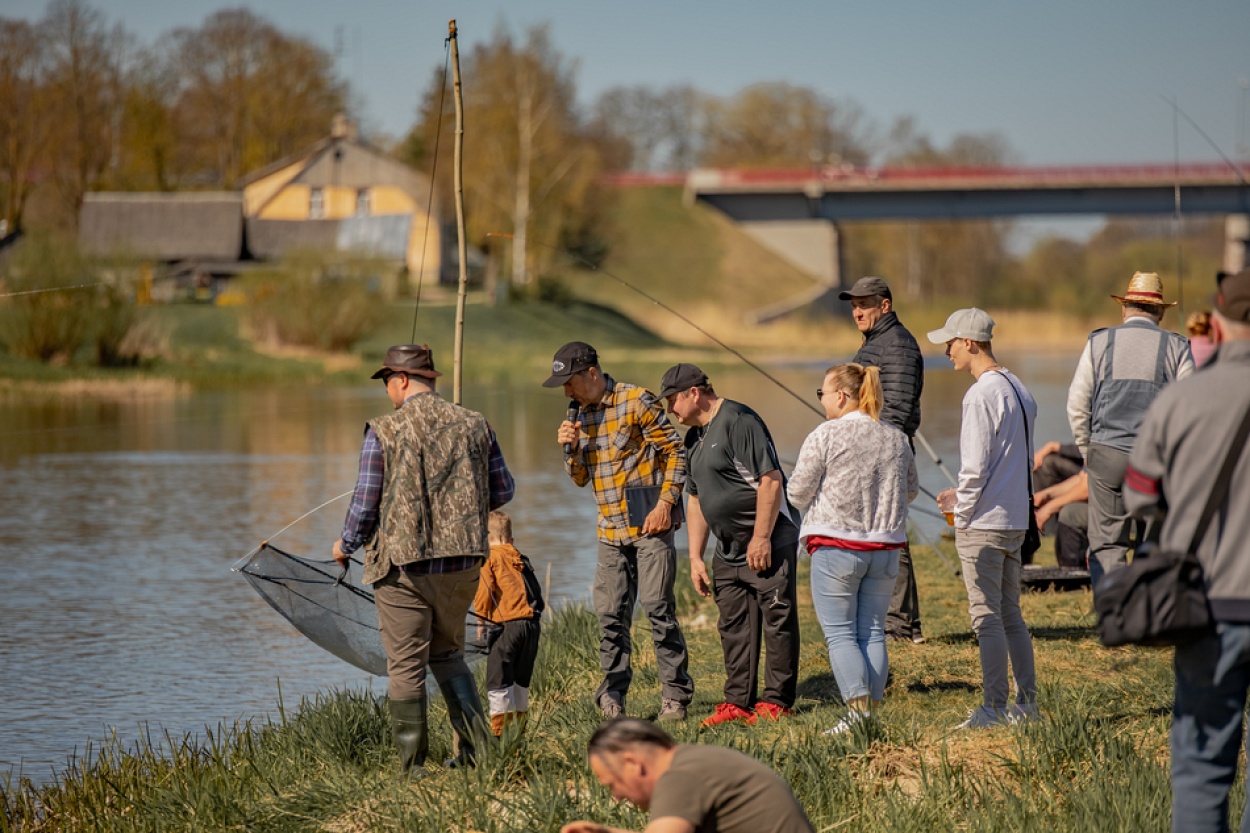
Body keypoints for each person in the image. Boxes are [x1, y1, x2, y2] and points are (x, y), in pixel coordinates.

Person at [332, 344, 515, 776]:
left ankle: (412, 769)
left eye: (387, 383)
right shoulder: (476, 424)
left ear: (399, 381)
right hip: (465, 564)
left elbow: (365, 502)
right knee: (448, 654)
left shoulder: (384, 430)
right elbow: (503, 490)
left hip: (404, 570)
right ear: (430, 380)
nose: (387, 391)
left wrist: (345, 545)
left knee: (407, 665)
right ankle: (476, 755)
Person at [1124, 268, 1250, 833]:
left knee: (1201, 770)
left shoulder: (1183, 399)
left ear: (1218, 323)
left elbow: (1139, 496)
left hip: (1207, 606)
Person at [546, 341, 694, 721]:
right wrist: (572, 449)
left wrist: (665, 505)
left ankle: (674, 697)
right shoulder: (578, 416)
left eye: (569, 382)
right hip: (609, 531)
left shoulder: (636, 401)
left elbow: (676, 452)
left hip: (650, 525)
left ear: (591, 374)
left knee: (658, 608)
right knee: (610, 615)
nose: (566, 392)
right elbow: (580, 479)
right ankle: (612, 697)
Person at [659, 363, 801, 728]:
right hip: (727, 549)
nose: (669, 409)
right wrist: (694, 556)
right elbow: (696, 499)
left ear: (694, 392)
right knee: (733, 626)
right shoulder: (692, 439)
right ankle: (737, 702)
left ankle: (777, 702)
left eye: (672, 400)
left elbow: (770, 481)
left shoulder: (739, 420)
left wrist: (761, 538)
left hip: (768, 537)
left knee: (777, 620)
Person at [787, 363, 918, 734]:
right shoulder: (896, 437)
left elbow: (796, 494)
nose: (822, 400)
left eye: (822, 393)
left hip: (836, 545)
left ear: (841, 396)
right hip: (886, 547)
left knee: (841, 633)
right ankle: (871, 714)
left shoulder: (825, 434)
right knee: (873, 629)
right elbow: (910, 489)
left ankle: (858, 717)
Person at [928, 309, 1039, 729]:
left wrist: (962, 509)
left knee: (986, 617)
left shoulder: (979, 395)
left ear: (970, 343)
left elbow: (975, 469)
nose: (946, 350)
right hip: (1015, 520)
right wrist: (966, 493)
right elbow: (1014, 463)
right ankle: (1026, 706)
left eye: (951, 343)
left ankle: (993, 708)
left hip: (985, 525)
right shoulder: (1019, 388)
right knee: (1011, 613)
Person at [1066, 271, 1194, 591]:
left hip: (1105, 454)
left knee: (1108, 544)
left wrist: (1089, 451)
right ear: (1161, 312)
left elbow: (1076, 405)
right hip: (1156, 462)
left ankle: (1115, 618)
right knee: (1152, 544)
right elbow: (1190, 412)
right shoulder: (1177, 346)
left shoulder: (1099, 342)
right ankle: (1147, 617)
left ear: (1124, 309)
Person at [839, 276, 927, 645]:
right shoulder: (876, 342)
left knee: (889, 537)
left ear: (885, 305)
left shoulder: (899, 346)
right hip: (867, 449)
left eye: (865, 303)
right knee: (878, 534)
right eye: (854, 304)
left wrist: (869, 447)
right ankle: (898, 624)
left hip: (884, 453)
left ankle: (901, 627)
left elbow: (899, 408)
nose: (857, 310)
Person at [559, 718, 815, 833]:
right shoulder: (689, 760)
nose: (616, 797)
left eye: (613, 785)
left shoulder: (679, 776)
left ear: (632, 764)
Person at [474, 509, 544, 738]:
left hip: (506, 627)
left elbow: (485, 590)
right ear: (510, 539)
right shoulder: (520, 557)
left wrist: (481, 620)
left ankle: (500, 736)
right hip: (531, 626)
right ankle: (519, 732)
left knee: (498, 682)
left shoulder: (489, 557)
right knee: (520, 682)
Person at [1032, 469, 1089, 570]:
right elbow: (1082, 478)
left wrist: (1047, 509)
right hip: (1102, 503)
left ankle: (1074, 577)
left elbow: (1087, 487)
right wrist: (1046, 494)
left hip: (1116, 507)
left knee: (1071, 514)